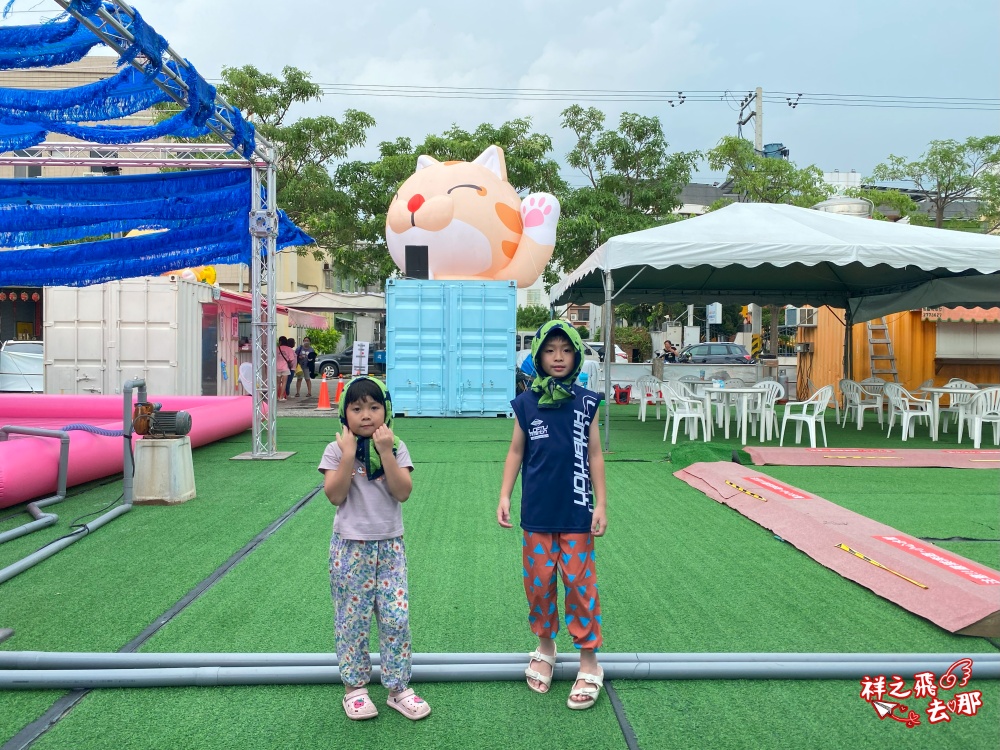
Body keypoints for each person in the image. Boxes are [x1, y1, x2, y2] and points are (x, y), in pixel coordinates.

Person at [497, 320, 608, 710]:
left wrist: (601, 504)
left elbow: (595, 454)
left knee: (580, 585)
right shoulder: (526, 404)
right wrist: (505, 495)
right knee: (539, 583)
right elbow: (516, 452)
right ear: (538, 357)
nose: (558, 356)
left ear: (576, 355)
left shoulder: (586, 401)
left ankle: (589, 660)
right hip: (538, 516)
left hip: (577, 513)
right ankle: (546, 645)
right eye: (550, 349)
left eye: (565, 349)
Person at [318, 376, 431, 722]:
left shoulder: (396, 446)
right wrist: (350, 456)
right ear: (344, 413)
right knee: (353, 620)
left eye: (374, 407)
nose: (366, 415)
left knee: (396, 617)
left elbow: (403, 492)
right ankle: (354, 689)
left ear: (387, 411)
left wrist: (385, 452)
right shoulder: (337, 449)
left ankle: (398, 688)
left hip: (390, 547)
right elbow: (335, 495)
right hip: (350, 549)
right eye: (356, 408)